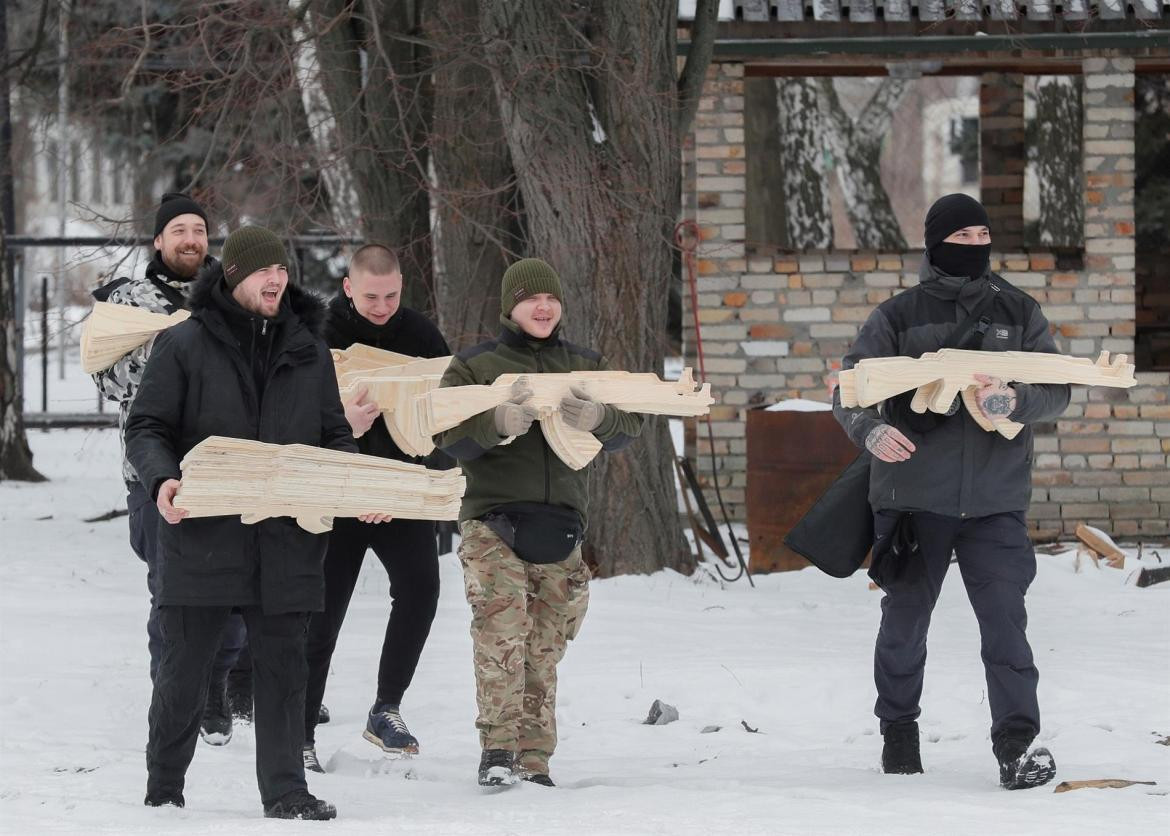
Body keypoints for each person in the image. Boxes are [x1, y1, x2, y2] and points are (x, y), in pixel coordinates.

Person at [125, 225, 373, 819]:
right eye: (265, 271)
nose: (277, 279)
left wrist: (359, 483)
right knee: (185, 670)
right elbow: (147, 426)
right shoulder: (184, 343)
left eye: (282, 270)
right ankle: (164, 789)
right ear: (235, 277)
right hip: (203, 535)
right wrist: (163, 479)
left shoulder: (308, 349)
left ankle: (286, 792)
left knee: (285, 671)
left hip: (286, 538)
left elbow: (333, 433)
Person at [831, 194, 1071, 790]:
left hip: (995, 503)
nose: (975, 245)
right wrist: (872, 430)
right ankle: (899, 732)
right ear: (937, 243)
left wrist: (1017, 399)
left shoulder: (1019, 310)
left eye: (983, 234)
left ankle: (1017, 744)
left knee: (1005, 628)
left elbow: (1059, 388)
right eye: (962, 236)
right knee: (905, 624)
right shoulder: (897, 316)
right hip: (913, 501)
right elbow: (849, 390)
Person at [435, 258, 643, 787]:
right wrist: (496, 422)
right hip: (492, 523)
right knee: (502, 639)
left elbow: (632, 422)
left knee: (544, 648)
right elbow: (442, 435)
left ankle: (535, 760)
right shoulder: (475, 365)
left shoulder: (585, 365)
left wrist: (600, 418)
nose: (543, 308)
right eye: (531, 299)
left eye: (550, 299)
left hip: (561, 528)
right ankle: (498, 751)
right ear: (510, 305)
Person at [91, 193, 245, 744]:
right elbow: (106, 379)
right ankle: (172, 700)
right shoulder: (127, 303)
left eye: (198, 230)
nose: (190, 239)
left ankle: (215, 691)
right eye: (178, 229)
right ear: (158, 240)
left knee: (232, 596)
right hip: (154, 473)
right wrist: (173, 351)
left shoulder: (231, 295)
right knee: (172, 595)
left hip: (227, 469)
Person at [301, 244, 450, 774]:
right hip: (337, 492)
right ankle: (299, 728)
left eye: (391, 295)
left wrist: (402, 486)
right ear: (347, 287)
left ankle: (387, 707)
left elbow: (443, 420)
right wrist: (344, 439)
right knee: (321, 609)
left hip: (400, 493)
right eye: (371, 296)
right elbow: (294, 416)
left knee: (421, 591)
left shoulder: (423, 336)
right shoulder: (319, 331)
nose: (382, 305)